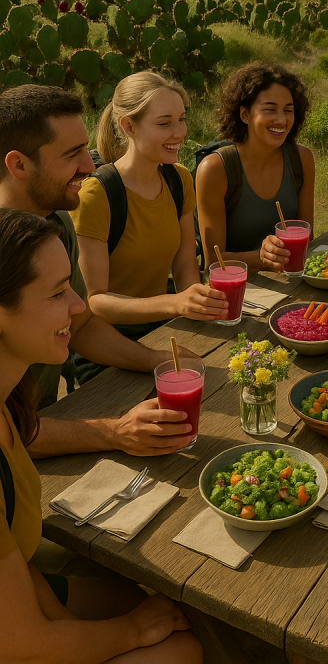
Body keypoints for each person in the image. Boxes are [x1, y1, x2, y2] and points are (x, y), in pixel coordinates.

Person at [0, 208, 202, 664]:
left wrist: (64, 622)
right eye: (56, 293)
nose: (78, 305)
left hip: (24, 596)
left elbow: (15, 556)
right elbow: (20, 646)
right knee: (184, 648)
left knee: (177, 613)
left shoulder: (10, 404)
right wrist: (130, 632)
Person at [0, 85, 194, 457]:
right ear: (18, 165)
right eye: (72, 154)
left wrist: (155, 360)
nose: (90, 165)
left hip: (45, 423)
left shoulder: (55, 223)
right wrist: (110, 432)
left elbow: (83, 324)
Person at [71, 72, 226, 381]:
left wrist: (194, 300)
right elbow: (96, 301)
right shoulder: (96, 195)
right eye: (164, 123)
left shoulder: (179, 179)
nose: (179, 133)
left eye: (181, 119)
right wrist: (176, 303)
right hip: (108, 344)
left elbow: (184, 264)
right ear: (129, 126)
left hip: (165, 327)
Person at [195, 63, 315, 272]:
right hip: (239, 291)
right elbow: (212, 262)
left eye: (288, 110)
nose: (281, 119)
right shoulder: (215, 169)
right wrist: (259, 257)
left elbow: (308, 239)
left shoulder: (301, 159)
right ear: (244, 115)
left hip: (292, 282)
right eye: (270, 109)